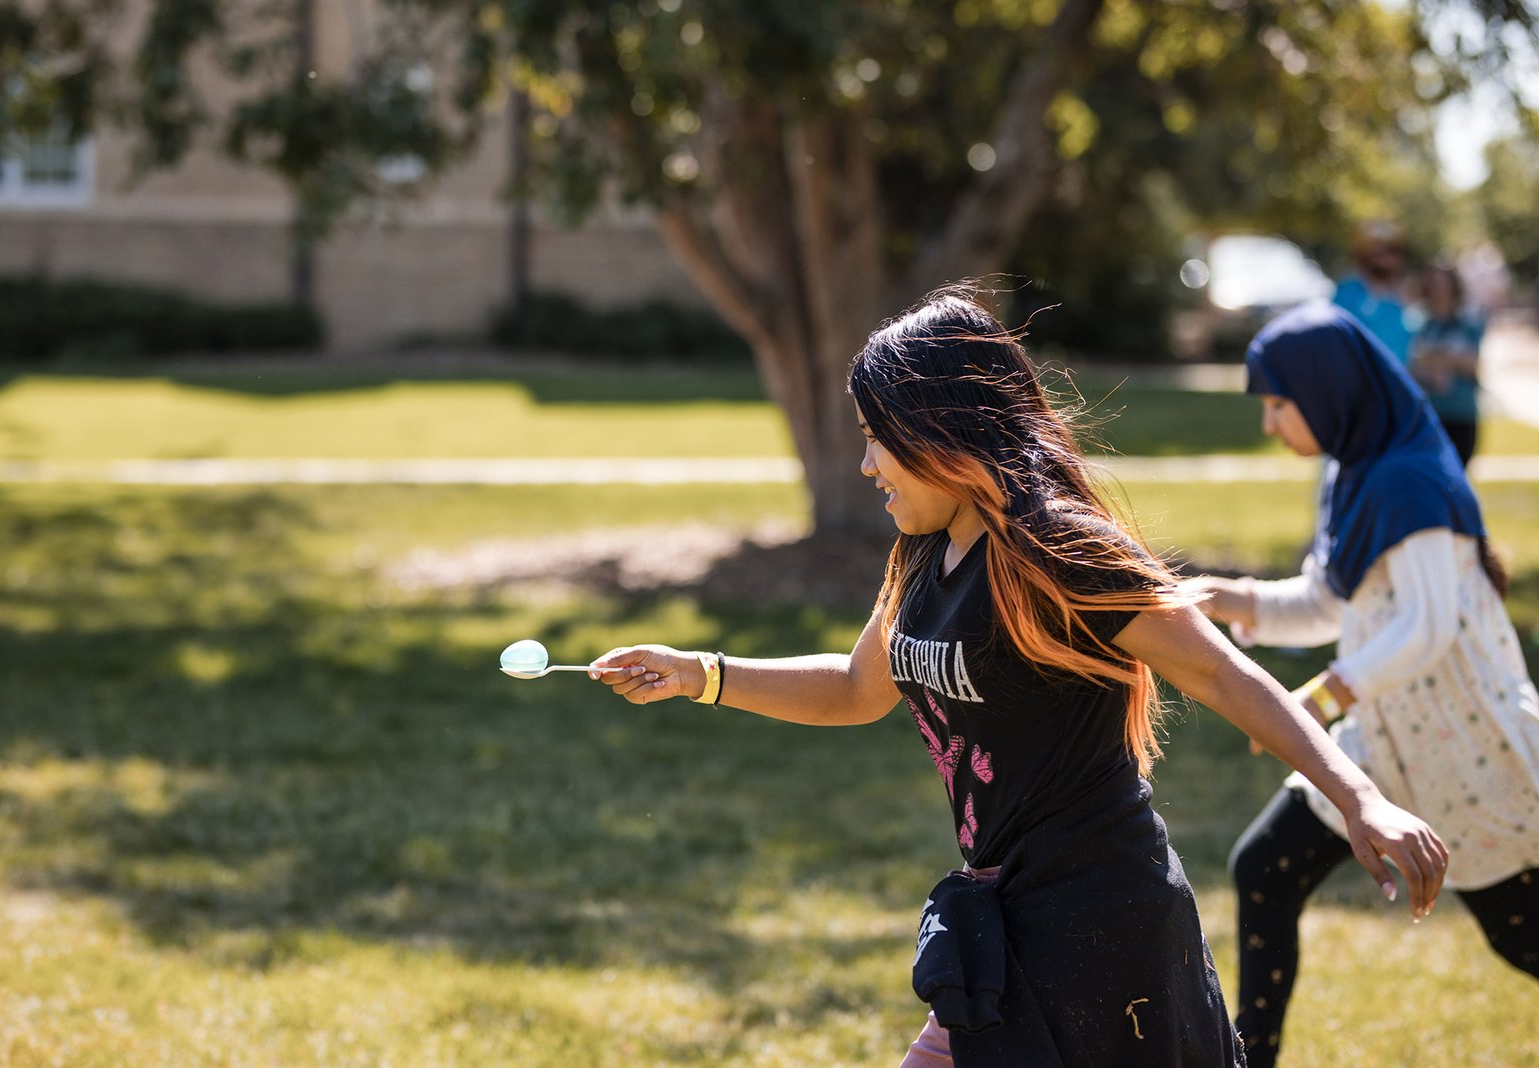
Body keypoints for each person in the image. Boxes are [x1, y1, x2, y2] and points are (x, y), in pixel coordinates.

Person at [587, 287, 1448, 1067]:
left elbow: (1224, 677)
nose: (866, 466)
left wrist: (1358, 798)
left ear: (940, 432)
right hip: (1005, 921)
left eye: (877, 439)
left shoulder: (1056, 551)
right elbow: (855, 688)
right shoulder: (925, 552)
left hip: (1106, 931)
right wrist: (700, 673)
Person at [1183, 301, 1539, 1068]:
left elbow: (1427, 626)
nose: (1272, 424)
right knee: (1264, 869)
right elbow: (1325, 600)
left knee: (1523, 936)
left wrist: (1317, 700)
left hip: (1460, 747)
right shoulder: (1351, 470)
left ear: (1329, 393)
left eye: (1280, 404)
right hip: (1383, 738)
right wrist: (1230, 596)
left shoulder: (1411, 480)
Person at [1410, 260, 1484, 467]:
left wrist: (1433, 357)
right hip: (1427, 413)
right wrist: (1450, 359)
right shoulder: (1415, 322)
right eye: (1433, 283)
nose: (1439, 289)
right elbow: (1410, 364)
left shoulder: (1468, 322)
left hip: (1461, 412)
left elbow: (1473, 364)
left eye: (1444, 283)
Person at [1332, 219, 1415, 365]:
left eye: (1393, 251)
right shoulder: (1347, 293)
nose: (1388, 258)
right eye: (1379, 250)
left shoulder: (1402, 296)